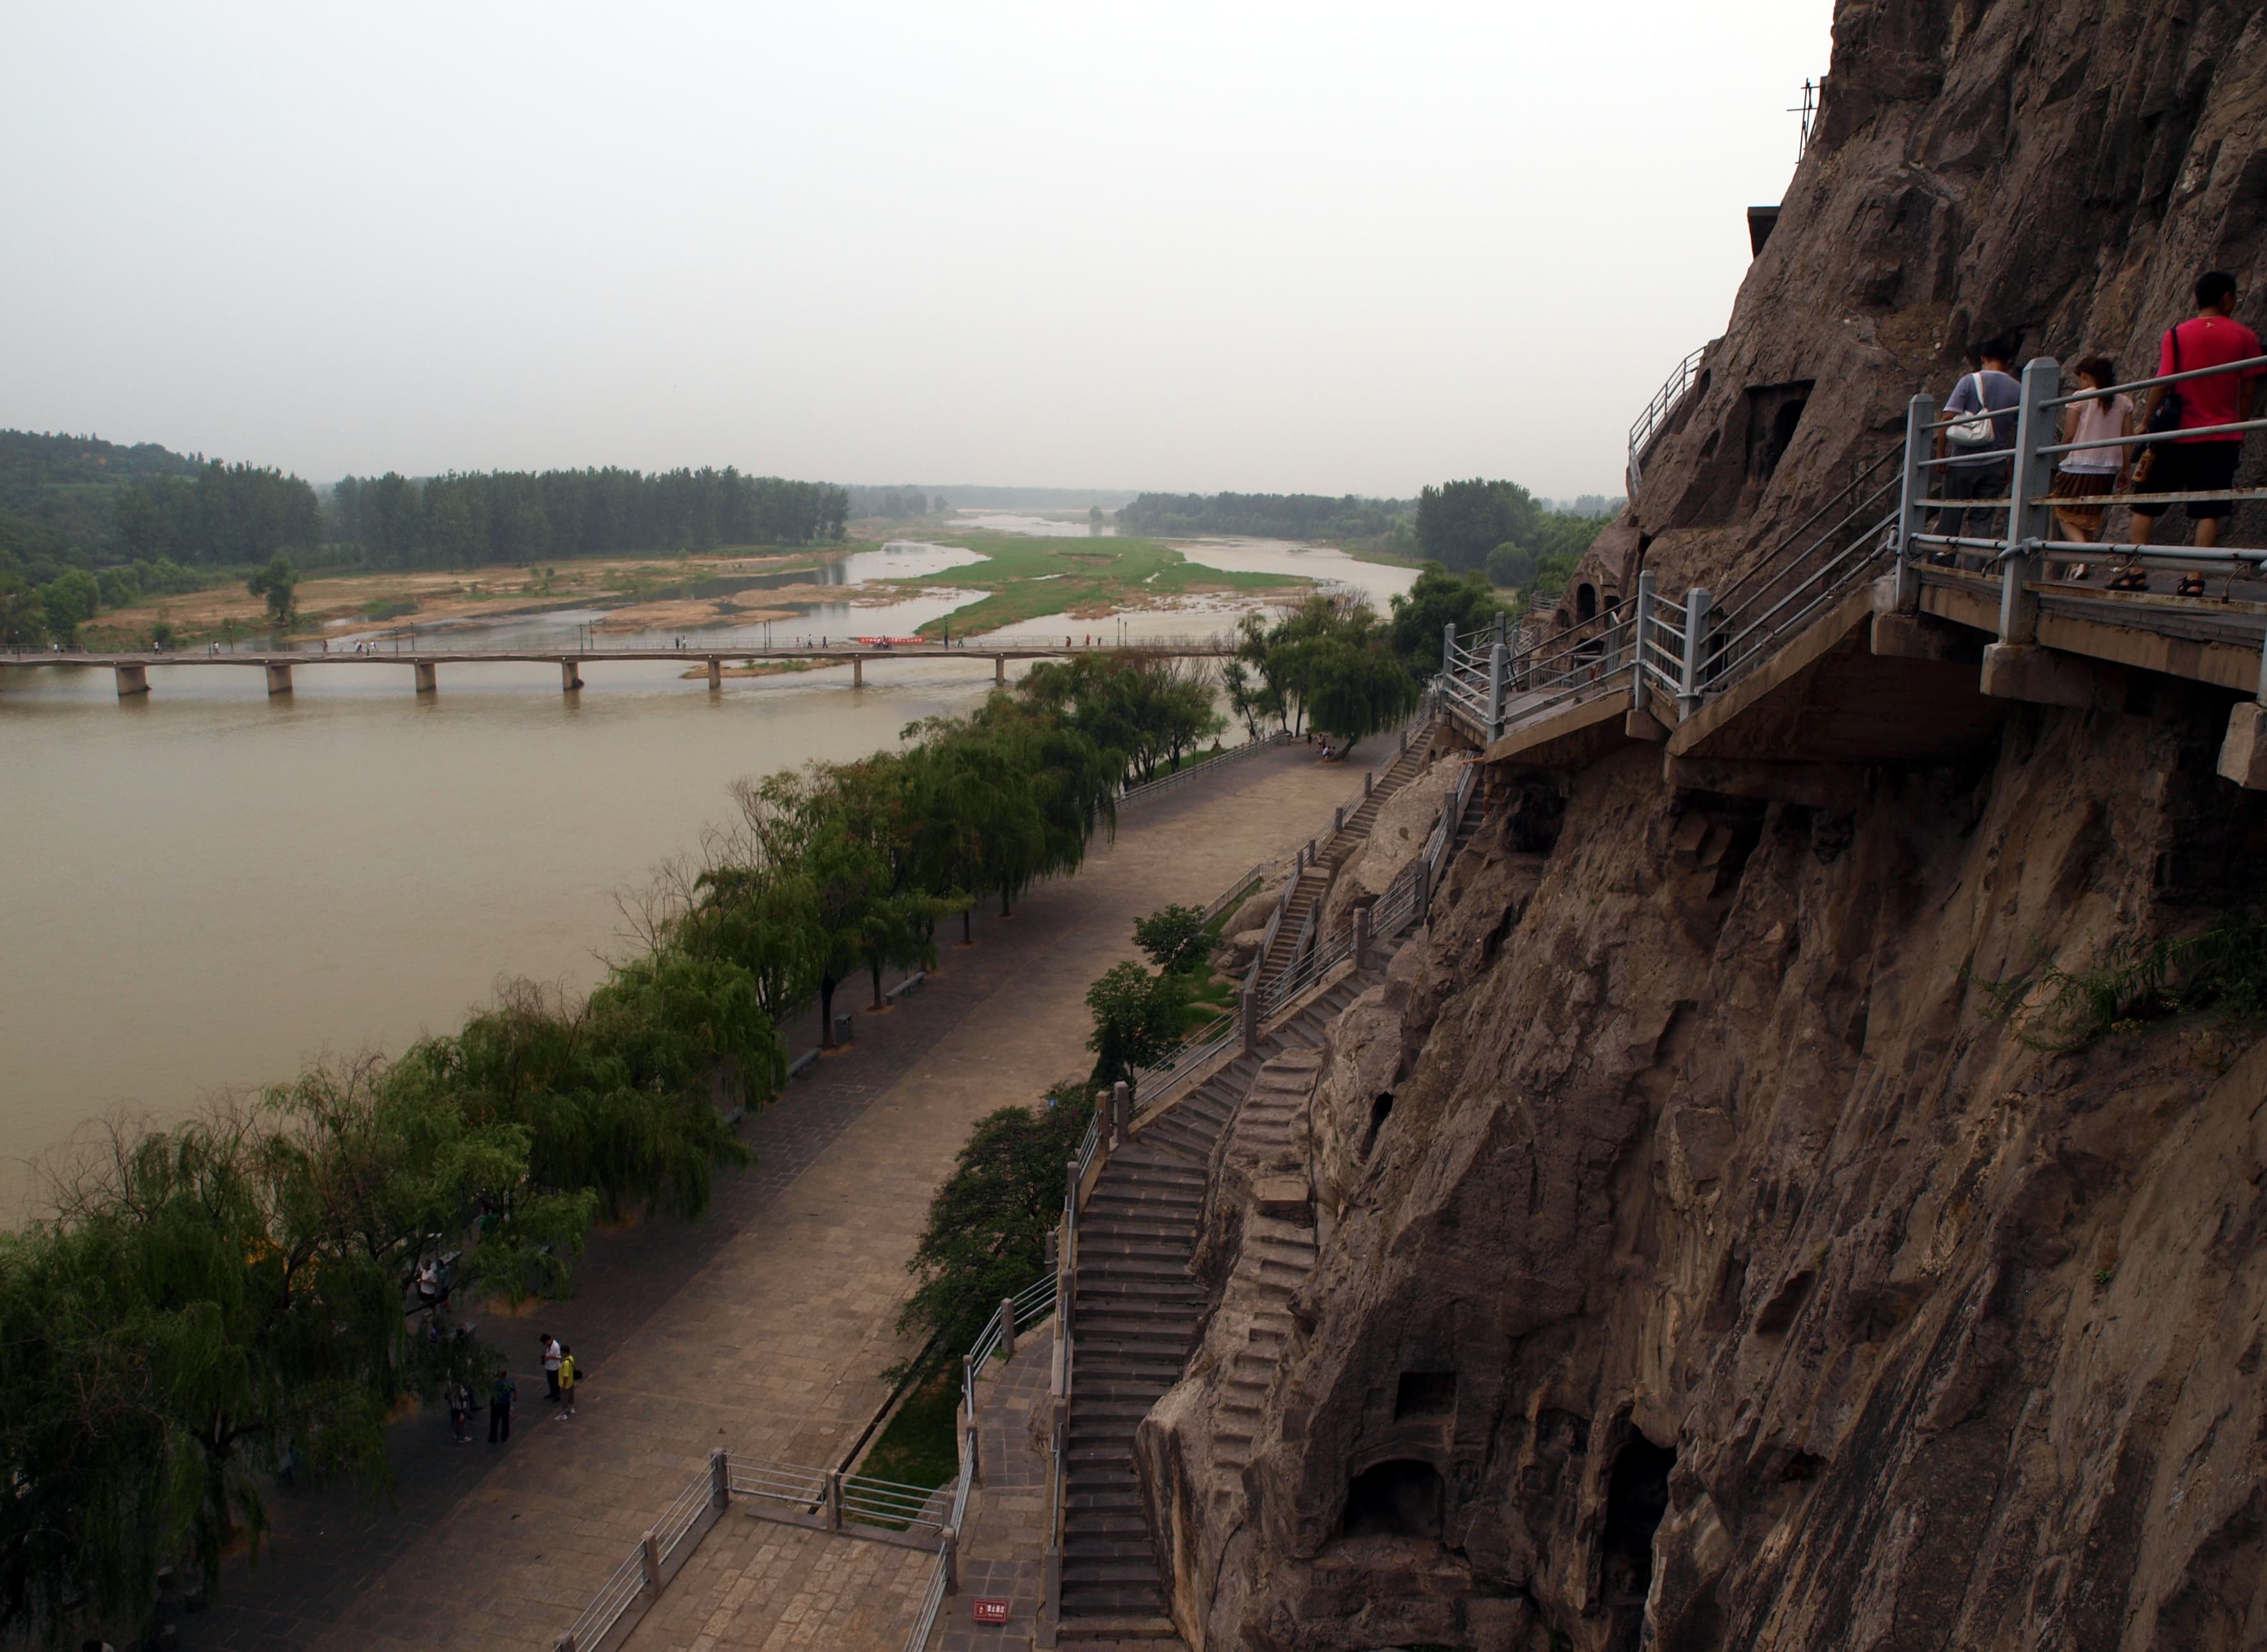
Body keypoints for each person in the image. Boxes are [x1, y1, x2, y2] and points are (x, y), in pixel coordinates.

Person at [2131, 271, 2266, 595]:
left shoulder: (2176, 335)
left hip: (2174, 435)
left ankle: (2133, 572)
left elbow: (2161, 383)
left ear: (2196, 299)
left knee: (2144, 503)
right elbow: (2247, 390)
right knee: (2209, 509)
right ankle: (2194, 579)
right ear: (2227, 299)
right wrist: (2242, 424)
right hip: (2220, 436)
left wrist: (2146, 421)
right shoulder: (2244, 337)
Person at [1931, 337, 2023, 564]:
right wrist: (2010, 465)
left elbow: (1947, 419)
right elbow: (2021, 432)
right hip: (1996, 464)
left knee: (1951, 516)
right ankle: (1975, 569)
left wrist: (1941, 455)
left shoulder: (1969, 381)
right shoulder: (2019, 389)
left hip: (1962, 462)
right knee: (1982, 520)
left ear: (1983, 358)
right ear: (2009, 361)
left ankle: (1943, 565)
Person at [2050, 355, 2135, 579]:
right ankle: (2082, 566)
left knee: (2063, 513)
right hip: (2108, 468)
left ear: (2086, 376)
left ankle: (2085, 557)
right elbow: (2128, 439)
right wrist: (2125, 469)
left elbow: (2069, 434)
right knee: (2087, 517)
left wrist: (2060, 456)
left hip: (2078, 464)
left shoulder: (2080, 398)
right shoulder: (2124, 402)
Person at [489, 1368, 516, 1443]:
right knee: (505, 1420)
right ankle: (504, 1436)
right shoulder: (510, 1382)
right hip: (506, 1404)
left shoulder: (496, 1384)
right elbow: (515, 1392)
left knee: (494, 1421)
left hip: (497, 1404)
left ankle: (493, 1437)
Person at [557, 1345, 578, 1419]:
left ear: (564, 1353)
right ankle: (571, 1408)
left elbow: (566, 1375)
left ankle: (562, 1415)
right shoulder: (571, 1358)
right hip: (571, 1382)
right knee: (571, 1396)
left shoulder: (565, 1363)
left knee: (564, 1399)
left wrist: (564, 1385)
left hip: (566, 1384)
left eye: (561, 1352)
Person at [541, 1331, 562, 1402]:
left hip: (555, 1368)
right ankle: (552, 1393)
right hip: (549, 1367)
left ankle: (558, 1395)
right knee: (550, 1381)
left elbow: (559, 1357)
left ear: (548, 1341)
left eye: (545, 1343)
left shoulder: (555, 1346)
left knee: (555, 1382)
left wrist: (549, 1357)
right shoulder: (550, 1346)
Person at [448, 1380, 470, 1444]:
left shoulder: (451, 1385)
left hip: (454, 1407)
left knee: (456, 1422)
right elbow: (463, 1398)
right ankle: (461, 1437)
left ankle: (456, 1434)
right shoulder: (460, 1388)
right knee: (461, 1423)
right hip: (460, 1408)